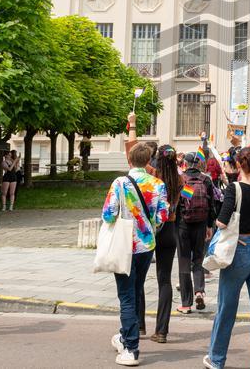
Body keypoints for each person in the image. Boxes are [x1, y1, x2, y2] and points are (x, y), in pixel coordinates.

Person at [203, 147, 250, 369]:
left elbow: (222, 222)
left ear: (238, 164)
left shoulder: (234, 188)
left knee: (226, 308)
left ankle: (216, 358)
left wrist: (217, 222)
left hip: (239, 249)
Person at [103, 142, 169, 366]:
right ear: (149, 161)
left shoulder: (120, 183)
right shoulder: (157, 184)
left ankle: (131, 347)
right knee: (135, 290)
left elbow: (108, 214)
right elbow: (162, 216)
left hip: (124, 245)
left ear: (129, 160)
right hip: (146, 245)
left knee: (126, 296)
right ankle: (125, 335)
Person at [146, 145, 181, 344]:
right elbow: (185, 201)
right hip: (170, 229)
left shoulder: (153, 175)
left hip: (152, 230)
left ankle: (139, 324)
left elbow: (132, 157)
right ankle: (161, 331)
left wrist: (131, 128)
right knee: (165, 280)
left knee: (139, 277)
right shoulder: (180, 179)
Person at [176, 152, 218, 314]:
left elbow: (176, 203)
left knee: (184, 261)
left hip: (183, 225)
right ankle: (199, 291)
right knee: (198, 259)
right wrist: (209, 226)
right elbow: (212, 204)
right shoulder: (206, 179)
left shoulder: (181, 179)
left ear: (185, 164)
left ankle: (186, 304)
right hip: (201, 224)